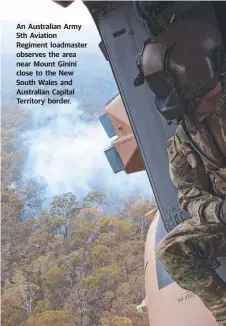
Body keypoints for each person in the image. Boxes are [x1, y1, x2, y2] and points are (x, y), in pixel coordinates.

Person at [134, 19, 226, 325]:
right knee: (171, 250)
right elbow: (188, 196)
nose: (217, 93)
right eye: (208, 95)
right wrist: (218, 211)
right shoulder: (182, 143)